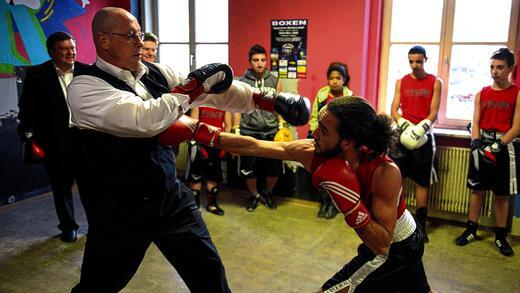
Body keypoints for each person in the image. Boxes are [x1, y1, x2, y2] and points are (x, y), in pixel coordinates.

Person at [66, 7, 310, 292]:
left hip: (170, 197)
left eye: (139, 34)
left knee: (209, 274)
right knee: (98, 286)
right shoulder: (84, 88)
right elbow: (144, 119)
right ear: (104, 40)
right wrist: (193, 86)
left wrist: (266, 99)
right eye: (129, 36)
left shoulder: (155, 73)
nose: (138, 42)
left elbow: (214, 92)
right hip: (121, 210)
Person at [160, 96, 437, 293]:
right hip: (401, 241)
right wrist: (200, 132)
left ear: (348, 141)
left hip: (394, 248)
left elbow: (381, 245)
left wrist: (351, 206)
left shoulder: (384, 171)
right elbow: (256, 146)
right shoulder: (312, 152)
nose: (314, 132)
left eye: (324, 130)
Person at [17, 31, 89, 243]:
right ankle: (68, 227)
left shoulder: (88, 72)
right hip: (56, 141)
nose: (71, 52)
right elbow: (27, 108)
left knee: (91, 187)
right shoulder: (38, 75)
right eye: (64, 48)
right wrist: (31, 136)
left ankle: (98, 224)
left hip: (86, 140)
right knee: (61, 187)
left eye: (73, 47)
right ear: (52, 52)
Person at [455, 48, 520, 257]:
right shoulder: (481, 93)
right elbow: (476, 121)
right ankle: (471, 229)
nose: (495, 71)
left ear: (510, 68)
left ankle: (500, 237)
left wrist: (498, 145)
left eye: (500, 67)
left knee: (501, 195)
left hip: (505, 146)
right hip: (482, 144)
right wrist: (475, 142)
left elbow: (517, 126)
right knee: (477, 190)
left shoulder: (517, 93)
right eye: (492, 67)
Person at [390, 45, 442, 242]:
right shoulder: (401, 81)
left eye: (418, 61)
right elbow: (394, 109)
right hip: (402, 134)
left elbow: (434, 111)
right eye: (411, 61)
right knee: (395, 178)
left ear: (425, 60)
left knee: (422, 181)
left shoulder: (435, 82)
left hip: (424, 135)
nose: (414, 65)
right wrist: (403, 123)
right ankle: (396, 220)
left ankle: (420, 225)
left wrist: (422, 126)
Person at [234, 44, 287, 212]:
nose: (260, 63)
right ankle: (254, 196)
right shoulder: (242, 82)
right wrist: (236, 130)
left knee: (274, 168)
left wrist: (283, 126)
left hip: (271, 130)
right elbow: (237, 107)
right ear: (250, 61)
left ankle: (267, 193)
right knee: (249, 169)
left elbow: (280, 106)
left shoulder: (274, 80)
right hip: (249, 131)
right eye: (256, 60)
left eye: (263, 60)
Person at [308, 61, 353, 219]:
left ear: (344, 79)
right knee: (323, 173)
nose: (334, 81)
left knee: (337, 174)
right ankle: (324, 202)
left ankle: (333, 205)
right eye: (331, 78)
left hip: (341, 143)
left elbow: (351, 122)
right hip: (323, 141)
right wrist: (317, 134)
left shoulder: (349, 97)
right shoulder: (321, 95)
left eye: (338, 78)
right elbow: (314, 117)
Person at [187, 106, 232, 215]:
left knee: (213, 175)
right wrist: (195, 143)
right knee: (196, 175)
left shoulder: (223, 102)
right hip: (200, 143)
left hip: (216, 144)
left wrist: (224, 145)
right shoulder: (200, 100)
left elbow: (228, 126)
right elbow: (193, 123)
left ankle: (212, 204)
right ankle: (195, 207)